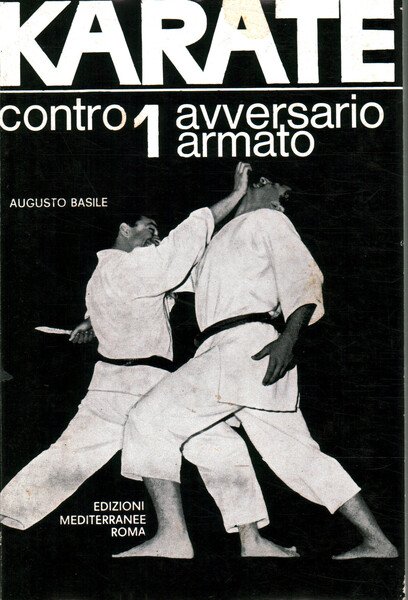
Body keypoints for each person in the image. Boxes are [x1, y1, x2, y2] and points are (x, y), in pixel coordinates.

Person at [1, 163, 285, 558]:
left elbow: (192, 276)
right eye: (149, 227)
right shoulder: (129, 266)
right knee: (216, 444)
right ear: (124, 229)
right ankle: (238, 540)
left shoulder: (107, 274)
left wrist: (92, 321)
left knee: (70, 456)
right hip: (137, 382)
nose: (156, 234)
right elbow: (179, 250)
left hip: (118, 384)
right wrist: (236, 196)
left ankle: (8, 513)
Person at [117, 172, 398, 560]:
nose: (286, 199)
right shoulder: (215, 243)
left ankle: (173, 537)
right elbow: (171, 277)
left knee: (148, 419)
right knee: (285, 455)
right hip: (226, 352)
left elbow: (304, 280)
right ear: (261, 181)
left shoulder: (269, 221)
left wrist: (288, 340)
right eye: (284, 189)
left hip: (247, 348)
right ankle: (366, 541)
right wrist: (147, 252)